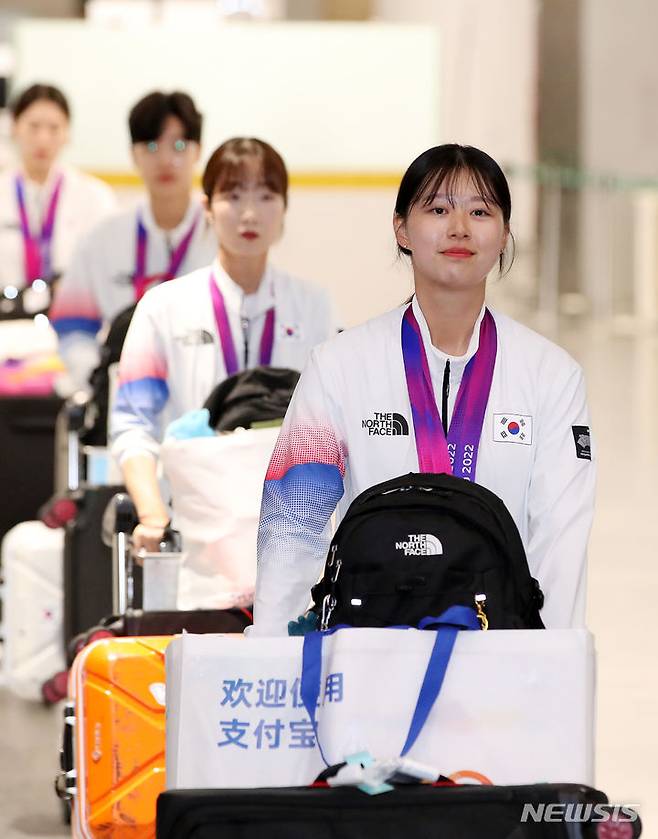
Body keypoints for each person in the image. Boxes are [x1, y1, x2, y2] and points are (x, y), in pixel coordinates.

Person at [252, 143, 596, 635]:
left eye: (481, 211)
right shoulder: (340, 366)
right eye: (438, 209)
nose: (459, 228)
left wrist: (545, 671)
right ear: (402, 228)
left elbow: (561, 547)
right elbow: (292, 529)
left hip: (500, 654)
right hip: (364, 652)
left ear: (504, 235)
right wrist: (272, 652)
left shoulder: (552, 376)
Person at [110, 137, 337, 558]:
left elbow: (332, 425)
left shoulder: (313, 305)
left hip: (291, 530)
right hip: (190, 528)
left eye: (266, 196)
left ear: (284, 208)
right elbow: (132, 425)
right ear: (208, 207)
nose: (249, 213)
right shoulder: (163, 306)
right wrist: (152, 514)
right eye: (233, 195)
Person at [49, 90, 216, 388]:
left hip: (207, 389)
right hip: (120, 388)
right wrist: (99, 379)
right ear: (133, 154)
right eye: (151, 146)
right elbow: (73, 328)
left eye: (178, 145)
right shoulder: (102, 239)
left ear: (198, 151)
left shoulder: (222, 234)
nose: (165, 159)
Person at [0, 83, 116, 302]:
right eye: (34, 127)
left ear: (67, 133)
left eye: (54, 128)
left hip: (73, 318)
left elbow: (106, 265)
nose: (43, 139)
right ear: (14, 127)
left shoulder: (94, 196)